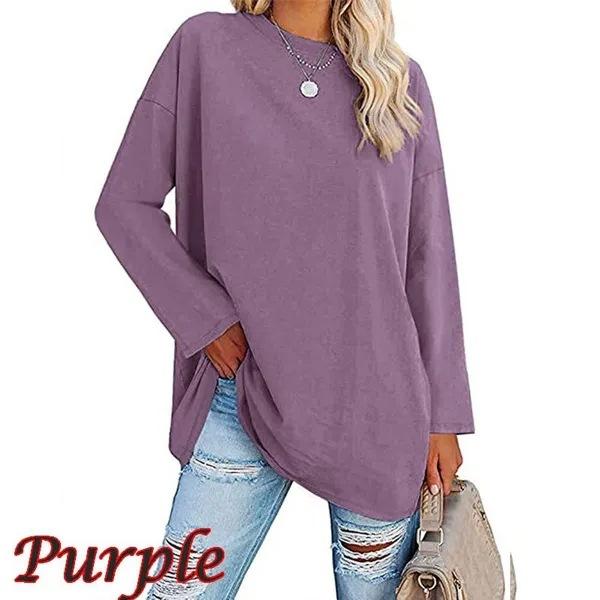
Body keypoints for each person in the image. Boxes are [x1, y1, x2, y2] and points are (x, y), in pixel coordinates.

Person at [95, 1, 475, 598]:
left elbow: (428, 260)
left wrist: (443, 419)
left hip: (379, 411)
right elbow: (124, 205)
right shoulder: (205, 47)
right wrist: (206, 320)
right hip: (244, 393)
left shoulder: (398, 81)